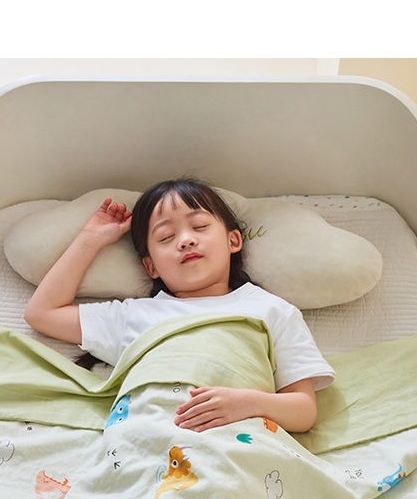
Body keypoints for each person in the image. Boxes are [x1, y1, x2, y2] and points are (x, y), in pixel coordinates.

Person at [23, 178, 334, 433]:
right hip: (146, 444)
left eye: (199, 226)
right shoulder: (135, 315)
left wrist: (246, 403)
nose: (185, 240)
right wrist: (91, 239)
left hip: (240, 443)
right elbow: (42, 313)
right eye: (166, 237)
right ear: (151, 267)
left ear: (233, 241)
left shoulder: (273, 310)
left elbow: (303, 411)